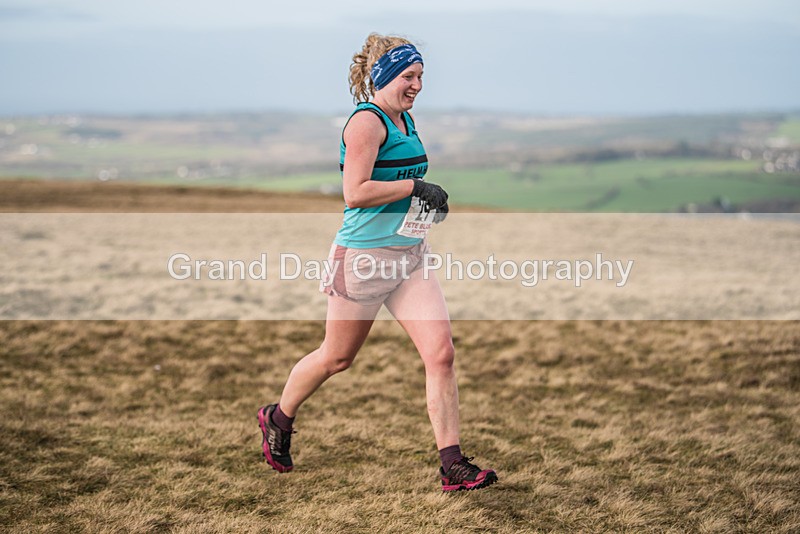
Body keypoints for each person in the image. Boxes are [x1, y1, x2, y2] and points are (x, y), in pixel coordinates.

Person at [258, 33, 497, 492]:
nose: (419, 85)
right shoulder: (365, 123)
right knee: (337, 357)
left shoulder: (405, 120)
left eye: (422, 76)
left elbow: (401, 180)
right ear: (385, 76)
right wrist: (414, 190)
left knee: (441, 353)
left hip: (408, 257)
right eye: (410, 76)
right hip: (363, 259)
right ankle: (279, 416)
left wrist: (426, 204)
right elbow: (356, 192)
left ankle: (452, 465)